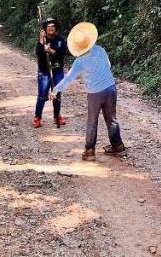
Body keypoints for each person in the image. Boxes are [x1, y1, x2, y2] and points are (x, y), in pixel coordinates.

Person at [50, 22, 125, 160]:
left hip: (95, 93)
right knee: (112, 119)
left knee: (92, 121)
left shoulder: (80, 62)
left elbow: (68, 79)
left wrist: (55, 90)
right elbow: (108, 65)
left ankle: (89, 151)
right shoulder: (101, 50)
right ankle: (118, 146)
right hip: (110, 88)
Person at [33, 17, 67, 128]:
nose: (51, 28)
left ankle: (57, 116)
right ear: (45, 29)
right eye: (48, 26)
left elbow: (62, 54)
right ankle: (37, 118)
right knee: (42, 95)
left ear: (55, 28)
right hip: (44, 72)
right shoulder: (42, 40)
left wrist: (50, 50)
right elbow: (38, 53)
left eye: (53, 26)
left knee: (56, 94)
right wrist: (41, 41)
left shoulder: (60, 40)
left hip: (57, 71)